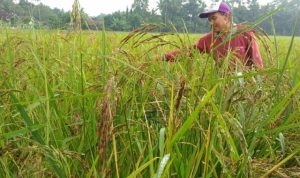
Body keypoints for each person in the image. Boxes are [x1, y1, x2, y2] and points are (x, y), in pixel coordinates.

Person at [164, 2, 264, 69]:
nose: (211, 23)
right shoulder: (208, 39)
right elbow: (187, 52)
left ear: (226, 16)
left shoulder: (245, 33)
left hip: (243, 87)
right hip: (220, 88)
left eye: (214, 18)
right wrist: (163, 57)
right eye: (209, 20)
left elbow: (257, 62)